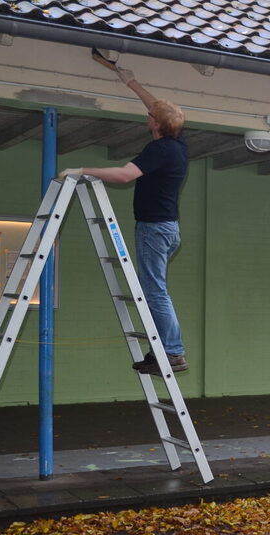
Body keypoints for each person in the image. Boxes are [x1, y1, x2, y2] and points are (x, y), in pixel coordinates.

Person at [60, 65, 189, 375]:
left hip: (154, 230)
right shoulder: (177, 145)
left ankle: (173, 353)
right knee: (152, 290)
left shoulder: (158, 149)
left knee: (155, 291)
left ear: (156, 125)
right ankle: (162, 350)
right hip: (167, 229)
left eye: (151, 117)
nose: (148, 117)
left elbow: (124, 175)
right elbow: (157, 108)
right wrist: (131, 82)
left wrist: (82, 171)